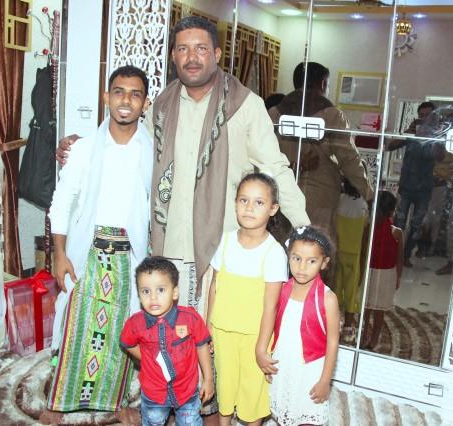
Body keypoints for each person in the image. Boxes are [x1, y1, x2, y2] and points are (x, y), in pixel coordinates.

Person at [57, 17, 309, 419]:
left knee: (211, 336)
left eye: (201, 48)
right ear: (173, 56)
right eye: (183, 49)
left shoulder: (245, 105)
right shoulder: (162, 104)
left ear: (218, 54)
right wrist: (79, 146)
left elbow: (275, 168)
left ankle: (209, 406)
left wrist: (304, 227)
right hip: (166, 243)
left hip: (219, 248)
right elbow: (126, 138)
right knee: (167, 335)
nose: (192, 57)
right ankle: (168, 400)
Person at [42, 65, 153, 424]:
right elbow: (62, 202)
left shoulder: (153, 151)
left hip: (129, 256)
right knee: (74, 326)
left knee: (122, 330)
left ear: (145, 103)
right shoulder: (85, 149)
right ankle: (59, 401)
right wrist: (59, 254)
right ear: (106, 97)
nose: (126, 100)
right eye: (119, 92)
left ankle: (113, 400)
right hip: (86, 251)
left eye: (135, 94)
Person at [206, 173, 288, 426]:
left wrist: (262, 347)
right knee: (226, 387)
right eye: (244, 200)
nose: (249, 208)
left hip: (254, 336)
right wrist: (208, 327)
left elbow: (271, 306)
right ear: (235, 203)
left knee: (252, 392)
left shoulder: (274, 252)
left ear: (273, 209)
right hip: (223, 332)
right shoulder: (225, 241)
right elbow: (215, 285)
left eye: (259, 202)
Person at [268, 62, 373, 256]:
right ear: (322, 84)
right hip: (320, 199)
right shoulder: (332, 116)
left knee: (284, 250)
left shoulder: (274, 113)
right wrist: (368, 193)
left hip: (283, 194)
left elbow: (265, 158)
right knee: (317, 252)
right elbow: (349, 159)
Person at [120, 256, 214, 426]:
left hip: (187, 392)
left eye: (161, 290)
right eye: (146, 291)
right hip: (154, 394)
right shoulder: (135, 323)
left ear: (175, 292)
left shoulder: (190, 318)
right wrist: (148, 357)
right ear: (139, 294)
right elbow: (127, 343)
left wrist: (208, 379)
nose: (153, 298)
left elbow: (202, 346)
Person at [268, 226, 340, 426]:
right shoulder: (281, 289)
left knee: (307, 414)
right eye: (296, 258)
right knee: (284, 412)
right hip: (284, 363)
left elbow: (333, 342)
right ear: (288, 256)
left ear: (324, 263)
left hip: (310, 369)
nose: (302, 267)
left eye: (311, 261)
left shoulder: (328, 298)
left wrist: (325, 380)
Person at [387, 101, 445, 267]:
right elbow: (390, 146)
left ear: (434, 117)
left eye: (428, 116)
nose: (424, 118)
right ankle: (393, 254)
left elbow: (440, 157)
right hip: (406, 186)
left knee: (416, 225)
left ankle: (406, 256)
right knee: (399, 222)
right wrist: (409, 132)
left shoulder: (436, 135)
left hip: (424, 189)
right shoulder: (412, 133)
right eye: (421, 115)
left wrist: (434, 137)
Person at [363, 190, 404, 350]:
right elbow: (363, 253)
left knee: (378, 309)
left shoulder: (396, 232)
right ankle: (366, 333)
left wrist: (398, 277)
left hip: (386, 275)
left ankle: (373, 338)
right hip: (372, 273)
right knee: (368, 307)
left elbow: (399, 258)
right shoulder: (369, 229)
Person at [335, 179, 370, 344]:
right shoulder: (363, 205)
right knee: (351, 291)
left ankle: (333, 324)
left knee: (335, 289)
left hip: (338, 251)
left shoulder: (339, 200)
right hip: (354, 254)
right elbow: (365, 235)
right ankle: (348, 327)